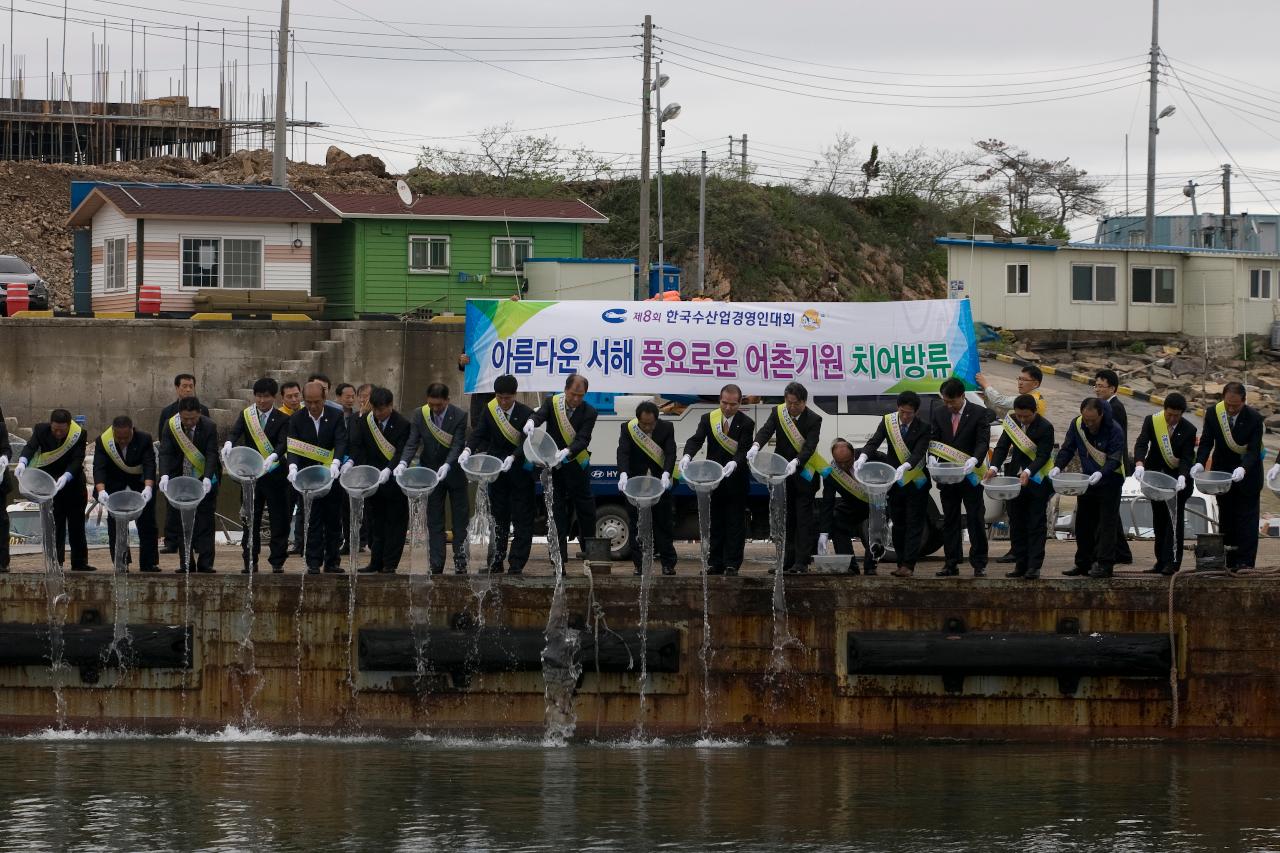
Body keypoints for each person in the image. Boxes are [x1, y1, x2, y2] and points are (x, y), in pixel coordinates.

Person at [748, 380, 825, 574]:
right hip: (782, 474)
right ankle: (786, 561)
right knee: (786, 519)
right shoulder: (778, 412)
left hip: (804, 475)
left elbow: (809, 446)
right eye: (789, 402)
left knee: (803, 520)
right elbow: (766, 431)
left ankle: (801, 562)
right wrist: (756, 445)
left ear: (804, 402)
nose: (791, 407)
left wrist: (797, 462)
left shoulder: (814, 419)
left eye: (796, 403)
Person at [463, 374, 535, 575]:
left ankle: (517, 563)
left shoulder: (526, 413)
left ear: (515, 395)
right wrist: (468, 449)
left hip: (520, 473)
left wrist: (513, 456)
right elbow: (479, 433)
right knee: (497, 519)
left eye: (507, 398)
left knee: (522, 519)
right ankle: (495, 561)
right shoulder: (490, 409)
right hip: (497, 473)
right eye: (500, 397)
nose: (503, 402)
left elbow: (525, 442)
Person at [524, 373, 598, 565]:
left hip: (577, 466)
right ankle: (558, 554)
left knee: (585, 510)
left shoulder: (590, 412)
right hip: (554, 467)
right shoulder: (552, 403)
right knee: (556, 511)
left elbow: (583, 438)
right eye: (573, 394)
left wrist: (568, 451)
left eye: (580, 396)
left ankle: (589, 552)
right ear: (565, 390)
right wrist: (532, 422)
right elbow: (539, 416)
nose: (575, 399)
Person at [680, 383, 754, 576]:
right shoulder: (708, 419)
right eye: (724, 403)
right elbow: (696, 439)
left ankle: (732, 564)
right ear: (719, 400)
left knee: (735, 524)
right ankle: (714, 563)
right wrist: (688, 455)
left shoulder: (747, 423)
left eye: (733, 404)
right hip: (714, 480)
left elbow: (744, 449)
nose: (728, 408)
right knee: (716, 523)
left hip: (736, 480)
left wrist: (735, 463)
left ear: (740, 402)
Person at [856, 390, 931, 578]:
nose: (905, 416)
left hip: (916, 481)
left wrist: (906, 465)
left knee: (915, 524)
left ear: (916, 412)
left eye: (909, 413)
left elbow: (919, 452)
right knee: (898, 524)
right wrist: (864, 456)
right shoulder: (888, 421)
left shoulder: (924, 427)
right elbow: (875, 441)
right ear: (898, 408)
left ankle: (909, 565)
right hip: (895, 483)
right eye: (902, 412)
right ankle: (900, 563)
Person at [397, 382, 469, 574]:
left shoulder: (460, 415)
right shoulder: (420, 414)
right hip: (430, 474)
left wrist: (448, 464)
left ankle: (461, 561)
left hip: (454, 473)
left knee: (460, 520)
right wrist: (403, 462)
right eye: (432, 405)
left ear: (447, 400)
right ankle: (436, 563)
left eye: (439, 405)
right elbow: (412, 442)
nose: (435, 409)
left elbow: (457, 445)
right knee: (434, 520)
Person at [1052, 397, 1125, 579]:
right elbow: (1068, 448)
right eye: (1086, 419)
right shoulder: (1077, 425)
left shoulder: (1114, 429)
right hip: (1087, 482)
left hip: (1110, 480)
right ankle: (1083, 563)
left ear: (1101, 415)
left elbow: (1115, 458)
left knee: (1107, 524)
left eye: (1093, 420)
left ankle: (1105, 565)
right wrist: (1057, 466)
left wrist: (1102, 473)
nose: (1089, 424)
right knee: (1083, 523)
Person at [984, 394, 1055, 580]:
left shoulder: (1046, 427)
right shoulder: (1013, 422)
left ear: (1034, 411)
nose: (1022, 420)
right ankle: (1020, 564)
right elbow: (1001, 447)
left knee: (1035, 525)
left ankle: (1034, 567)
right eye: (1019, 416)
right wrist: (993, 467)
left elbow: (1043, 455)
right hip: (1014, 480)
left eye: (1026, 416)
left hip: (1037, 480)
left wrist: (1029, 472)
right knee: (1016, 523)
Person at [928, 378, 993, 578]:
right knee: (950, 520)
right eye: (945, 401)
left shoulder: (979, 413)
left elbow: (983, 441)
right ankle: (951, 562)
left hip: (971, 475)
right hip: (948, 477)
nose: (948, 405)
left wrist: (975, 459)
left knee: (975, 519)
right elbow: (935, 438)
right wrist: (932, 457)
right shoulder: (939, 412)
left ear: (962, 396)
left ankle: (979, 563)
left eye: (951, 402)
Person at [16, 409, 94, 571]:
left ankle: (79, 562)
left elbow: (77, 459)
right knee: (55, 525)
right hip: (50, 485)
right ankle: (55, 562)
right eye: (55, 429)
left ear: (69, 425)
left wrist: (66, 476)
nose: (58, 433)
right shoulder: (40, 430)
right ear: (50, 424)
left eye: (62, 430)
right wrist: (22, 462)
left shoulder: (79, 434)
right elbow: (30, 447)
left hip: (72, 483)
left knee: (76, 525)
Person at [224, 378, 288, 574]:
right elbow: (235, 432)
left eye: (266, 397)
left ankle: (277, 561)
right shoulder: (247, 415)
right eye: (258, 396)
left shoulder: (283, 418)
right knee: (250, 519)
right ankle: (250, 560)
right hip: (251, 476)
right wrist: (229, 443)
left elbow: (283, 442)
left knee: (279, 519)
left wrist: (274, 456)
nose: (261, 401)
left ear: (274, 397)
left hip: (274, 473)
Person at [286, 381, 347, 574]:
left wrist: (336, 462)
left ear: (324, 399)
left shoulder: (336, 415)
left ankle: (332, 562)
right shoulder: (297, 418)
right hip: (308, 478)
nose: (313, 406)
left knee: (333, 521)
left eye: (317, 402)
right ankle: (313, 562)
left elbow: (341, 441)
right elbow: (293, 447)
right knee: (311, 520)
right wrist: (293, 467)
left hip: (331, 476)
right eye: (309, 402)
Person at [1202, 382, 1265, 571]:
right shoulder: (1214, 413)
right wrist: (1199, 462)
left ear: (1244, 401)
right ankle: (1228, 561)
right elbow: (1206, 441)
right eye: (1227, 404)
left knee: (1247, 521)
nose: (1230, 409)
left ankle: (1245, 562)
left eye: (1235, 406)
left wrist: (1243, 468)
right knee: (1226, 519)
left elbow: (1254, 451)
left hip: (1248, 476)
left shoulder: (1254, 418)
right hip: (1223, 476)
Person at [1132, 392, 1197, 575]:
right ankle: (1160, 561)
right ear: (1164, 410)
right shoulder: (1152, 421)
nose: (1172, 418)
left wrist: (1183, 475)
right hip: (1156, 481)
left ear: (1182, 414)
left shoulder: (1189, 430)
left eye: (1177, 415)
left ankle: (1173, 563)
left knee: (1173, 524)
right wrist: (1139, 463)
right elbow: (1142, 443)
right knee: (1159, 520)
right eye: (1169, 414)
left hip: (1178, 484)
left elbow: (1186, 457)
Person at [158, 397, 221, 573]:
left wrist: (208, 477)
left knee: (206, 521)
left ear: (199, 414)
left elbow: (211, 454)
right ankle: (186, 562)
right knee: (182, 522)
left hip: (204, 480)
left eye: (192, 418)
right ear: (179, 415)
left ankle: (205, 562)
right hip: (180, 479)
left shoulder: (209, 426)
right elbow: (165, 452)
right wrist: (164, 475)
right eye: (185, 418)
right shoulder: (171, 426)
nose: (189, 422)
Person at [352, 387, 410, 574]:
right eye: (375, 409)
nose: (378, 414)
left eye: (382, 409)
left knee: (394, 524)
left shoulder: (402, 424)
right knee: (375, 524)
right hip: (373, 482)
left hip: (393, 483)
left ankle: (390, 563)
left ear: (390, 406)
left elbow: (401, 452)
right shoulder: (365, 421)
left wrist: (389, 469)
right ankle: (375, 562)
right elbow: (359, 448)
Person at [617, 400, 678, 576]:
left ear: (656, 420)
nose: (647, 428)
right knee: (637, 524)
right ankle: (640, 565)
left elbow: (670, 452)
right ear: (637, 420)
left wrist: (667, 473)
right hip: (637, 484)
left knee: (663, 524)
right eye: (643, 424)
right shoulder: (628, 428)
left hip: (660, 484)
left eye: (650, 424)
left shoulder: (667, 427)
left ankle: (668, 564)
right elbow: (623, 452)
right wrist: (623, 474)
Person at [92, 415, 158, 572]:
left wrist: (148, 487)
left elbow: (149, 464)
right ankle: (121, 562)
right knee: (115, 526)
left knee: (147, 524)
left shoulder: (144, 439)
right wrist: (101, 491)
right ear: (113, 432)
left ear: (132, 430)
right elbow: (99, 467)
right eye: (118, 437)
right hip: (114, 487)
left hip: (139, 486)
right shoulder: (103, 441)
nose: (122, 441)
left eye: (126, 437)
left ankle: (148, 563)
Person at [158, 374, 209, 555]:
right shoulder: (168, 412)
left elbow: (205, 438)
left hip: (197, 465)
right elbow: (163, 441)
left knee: (198, 506)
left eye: (191, 386)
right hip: (175, 466)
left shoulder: (202, 409)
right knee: (173, 506)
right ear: (177, 387)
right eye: (184, 386)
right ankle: (172, 541)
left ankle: (195, 542)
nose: (188, 389)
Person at [818, 438, 878, 575]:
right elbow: (828, 503)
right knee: (836, 518)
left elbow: (888, 464)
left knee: (876, 524)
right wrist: (824, 533)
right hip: (853, 505)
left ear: (854, 455)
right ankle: (850, 565)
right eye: (840, 463)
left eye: (847, 461)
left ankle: (870, 566)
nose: (844, 466)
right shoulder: (831, 472)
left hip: (876, 503)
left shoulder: (867, 456)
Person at [1095, 369, 1133, 565]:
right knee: (1110, 511)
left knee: (1108, 512)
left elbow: (1114, 439)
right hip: (1105, 465)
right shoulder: (1102, 405)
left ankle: (1107, 552)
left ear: (1112, 388)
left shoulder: (1115, 408)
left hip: (1114, 466)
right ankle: (1123, 553)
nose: (1097, 389)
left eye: (1101, 386)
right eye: (1096, 385)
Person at [279, 381, 306, 556]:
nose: (294, 399)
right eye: (290, 396)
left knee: (304, 508)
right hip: (284, 469)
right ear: (282, 398)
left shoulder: (307, 413)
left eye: (297, 395)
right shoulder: (279, 416)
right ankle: (281, 545)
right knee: (285, 509)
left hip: (305, 467)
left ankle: (301, 543)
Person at [976, 365, 1046, 417]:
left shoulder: (1030, 399)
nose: (1020, 382)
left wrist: (985, 384)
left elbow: (1000, 400)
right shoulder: (1038, 396)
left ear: (1035, 384)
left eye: (1024, 380)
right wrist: (986, 397)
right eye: (1019, 379)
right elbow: (1005, 412)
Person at [0, 402, 10, 573]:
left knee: (1, 521)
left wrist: (3, 458)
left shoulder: (0, 428)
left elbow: (6, 449)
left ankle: (2, 562)